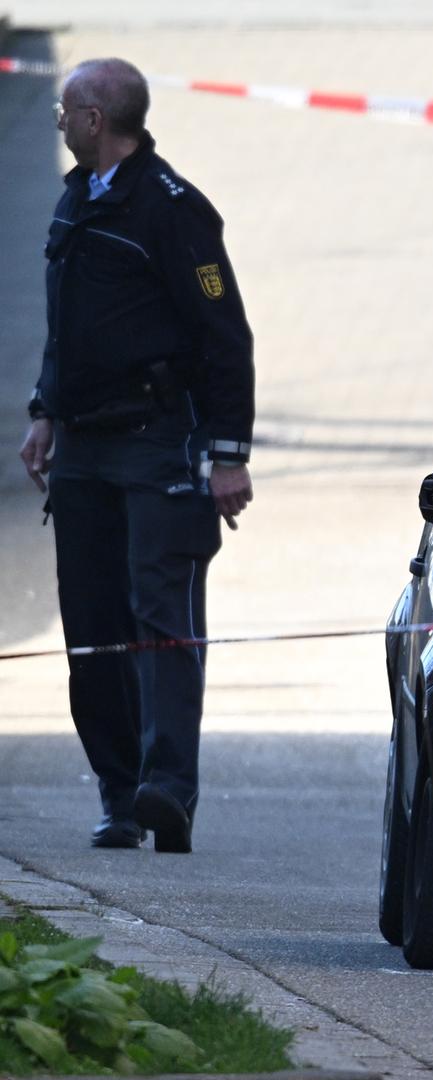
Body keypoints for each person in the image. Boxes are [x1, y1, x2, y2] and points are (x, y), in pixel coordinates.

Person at [16, 57, 255, 854]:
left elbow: (226, 336)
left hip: (160, 448)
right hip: (82, 451)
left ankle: (168, 790)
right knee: (92, 627)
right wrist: (45, 411)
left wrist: (228, 454)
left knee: (163, 621)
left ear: (94, 120)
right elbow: (66, 330)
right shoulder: (75, 201)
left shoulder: (173, 212)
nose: (57, 120)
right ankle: (119, 795)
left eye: (65, 109)